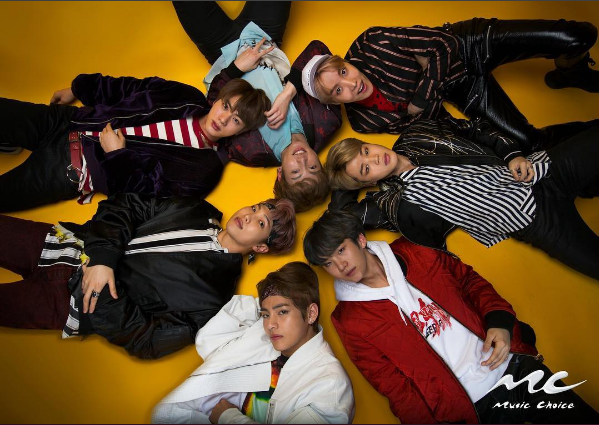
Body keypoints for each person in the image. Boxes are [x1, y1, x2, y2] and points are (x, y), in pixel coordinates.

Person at [303, 210, 599, 424]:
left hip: (515, 370)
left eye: (341, 250)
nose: (340, 265)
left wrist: (499, 322)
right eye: (328, 263)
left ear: (360, 239)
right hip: (471, 412)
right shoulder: (349, 319)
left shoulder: (413, 250)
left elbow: (469, 282)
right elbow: (393, 386)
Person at [0, 192, 296, 359]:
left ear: (260, 247)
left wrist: (101, 293)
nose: (248, 215)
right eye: (255, 207)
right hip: (64, 242)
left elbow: (146, 340)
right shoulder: (197, 208)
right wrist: (102, 258)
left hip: (70, 302)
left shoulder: (213, 300)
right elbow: (127, 204)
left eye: (261, 222)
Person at [324, 117, 599, 280]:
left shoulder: (416, 134)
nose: (374, 158)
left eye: (365, 151)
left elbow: (474, 128)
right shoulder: (392, 205)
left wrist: (512, 154)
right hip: (535, 221)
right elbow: (341, 215)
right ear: (368, 183)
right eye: (366, 169)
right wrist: (336, 177)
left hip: (543, 169)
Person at [290, 18, 598, 152]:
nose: (352, 83)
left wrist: (420, 97)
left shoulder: (371, 43)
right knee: (530, 144)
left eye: (344, 71)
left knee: (577, 36)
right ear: (335, 103)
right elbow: (431, 122)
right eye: (338, 90)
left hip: (469, 43)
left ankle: (571, 71)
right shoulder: (364, 122)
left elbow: (444, 43)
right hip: (462, 88)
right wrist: (430, 73)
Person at [0, 73, 270, 212]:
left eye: (236, 120)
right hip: (68, 120)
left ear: (242, 130)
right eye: (226, 106)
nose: (223, 119)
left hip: (72, 168)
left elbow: (148, 197)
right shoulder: (187, 96)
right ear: (219, 99)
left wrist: (118, 156)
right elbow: (131, 87)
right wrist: (79, 88)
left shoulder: (204, 169)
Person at [172, 1, 341, 212]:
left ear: (280, 174)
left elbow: (213, 104)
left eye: (296, 172)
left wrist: (236, 68)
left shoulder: (249, 152)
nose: (302, 160)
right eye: (313, 167)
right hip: (264, 33)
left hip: (220, 49)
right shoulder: (327, 121)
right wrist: (288, 94)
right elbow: (318, 52)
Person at [151, 262, 355, 424]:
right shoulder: (263, 345)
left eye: (282, 312)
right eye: (265, 314)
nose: (270, 324)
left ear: (311, 314)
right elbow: (208, 340)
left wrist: (227, 417)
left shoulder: (330, 385)